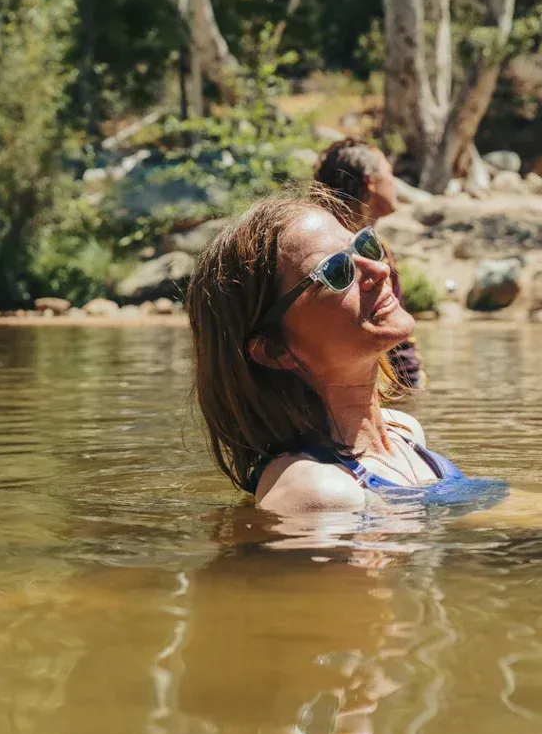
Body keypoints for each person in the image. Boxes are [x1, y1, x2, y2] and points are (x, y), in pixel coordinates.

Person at [186, 186, 505, 514]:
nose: (380, 271)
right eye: (336, 271)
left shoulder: (404, 433)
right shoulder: (318, 491)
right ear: (274, 349)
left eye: (364, 246)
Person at [314, 137, 424, 388]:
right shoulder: (328, 252)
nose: (394, 183)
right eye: (389, 174)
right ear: (370, 183)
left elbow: (398, 344)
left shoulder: (378, 248)